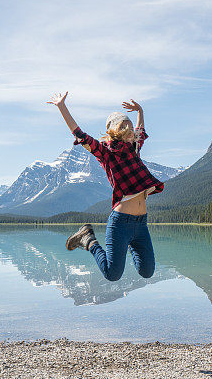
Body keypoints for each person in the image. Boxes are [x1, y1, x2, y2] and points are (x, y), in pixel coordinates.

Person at [47, 91, 166, 281]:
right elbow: (80, 135)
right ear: (115, 130)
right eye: (124, 125)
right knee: (112, 274)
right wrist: (62, 106)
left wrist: (140, 111)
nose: (130, 129)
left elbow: (140, 131)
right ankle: (88, 240)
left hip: (141, 223)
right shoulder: (106, 153)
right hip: (120, 223)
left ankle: (127, 244)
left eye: (130, 126)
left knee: (147, 271)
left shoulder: (134, 149)